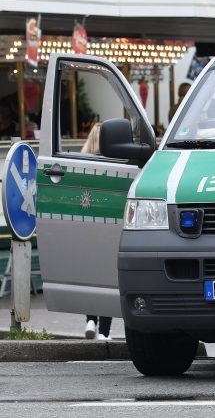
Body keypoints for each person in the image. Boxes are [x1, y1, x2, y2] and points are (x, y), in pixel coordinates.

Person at [80, 123, 113, 341]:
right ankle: (103, 333)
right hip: (108, 230)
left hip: (85, 232)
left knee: (90, 277)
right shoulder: (113, 165)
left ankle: (90, 320)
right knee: (108, 280)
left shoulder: (79, 165)